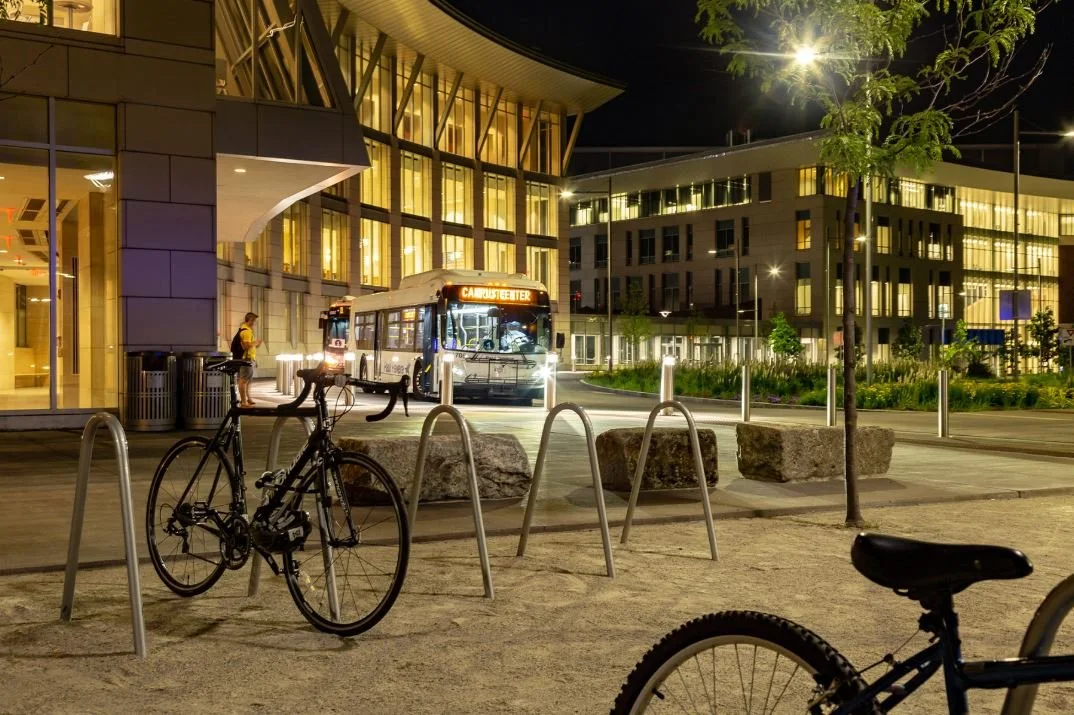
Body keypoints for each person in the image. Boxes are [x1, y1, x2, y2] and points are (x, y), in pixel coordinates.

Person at [232, 312, 262, 407]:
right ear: (250, 320)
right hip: (246, 359)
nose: (254, 323)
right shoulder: (246, 331)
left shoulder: (247, 329)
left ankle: (248, 398)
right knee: (243, 380)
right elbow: (246, 346)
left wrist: (255, 344)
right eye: (254, 321)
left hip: (249, 358)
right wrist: (256, 342)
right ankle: (244, 401)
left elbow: (249, 345)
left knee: (247, 380)